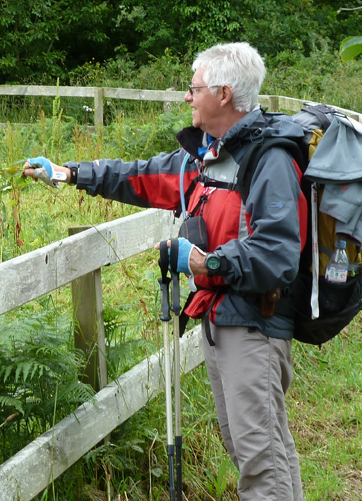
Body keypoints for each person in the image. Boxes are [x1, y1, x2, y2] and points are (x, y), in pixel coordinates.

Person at [23, 42, 306, 501]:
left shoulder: (268, 160)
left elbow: (276, 255)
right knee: (255, 449)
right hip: (220, 321)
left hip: (254, 326)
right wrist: (66, 173)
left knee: (260, 457)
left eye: (194, 88)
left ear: (224, 93)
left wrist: (203, 263)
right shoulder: (205, 157)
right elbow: (138, 176)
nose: (187, 97)